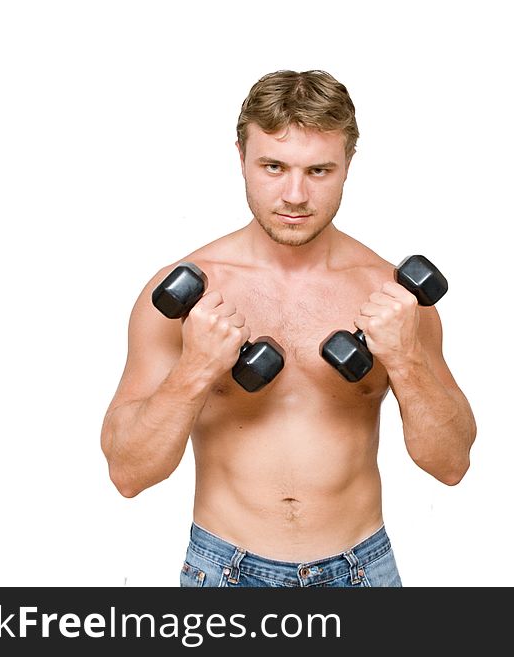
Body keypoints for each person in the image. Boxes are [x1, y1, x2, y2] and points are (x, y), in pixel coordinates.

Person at [100, 70, 476, 587]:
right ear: (241, 157)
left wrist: (406, 359)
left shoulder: (393, 297)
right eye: (273, 166)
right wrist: (196, 369)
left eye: (318, 170)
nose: (295, 195)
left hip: (361, 571)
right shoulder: (182, 294)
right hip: (225, 570)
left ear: (348, 165)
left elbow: (451, 463)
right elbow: (127, 472)